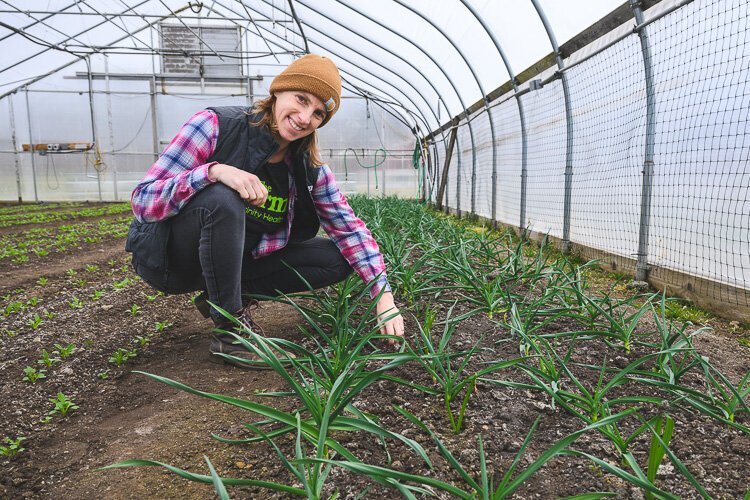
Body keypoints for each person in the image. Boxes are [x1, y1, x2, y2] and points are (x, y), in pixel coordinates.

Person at [125, 54, 404, 368]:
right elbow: (143, 199)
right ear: (278, 92)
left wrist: (383, 295)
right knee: (222, 198)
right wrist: (213, 173)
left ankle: (227, 296)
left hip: (234, 263)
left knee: (338, 258)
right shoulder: (216, 125)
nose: (304, 117)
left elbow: (348, 228)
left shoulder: (308, 168)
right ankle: (231, 334)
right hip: (170, 260)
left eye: (317, 113)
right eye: (300, 99)